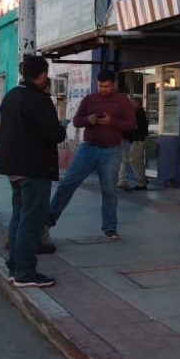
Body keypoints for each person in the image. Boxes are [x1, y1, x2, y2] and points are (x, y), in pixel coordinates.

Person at [0, 56, 66, 288]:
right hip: (34, 169)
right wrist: (62, 128)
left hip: (14, 169)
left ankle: (15, 267)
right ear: (42, 75)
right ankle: (25, 273)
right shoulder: (39, 100)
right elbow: (55, 134)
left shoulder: (10, 97)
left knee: (18, 219)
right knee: (31, 222)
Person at [46, 69, 136, 242]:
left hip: (111, 151)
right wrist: (89, 120)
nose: (103, 89)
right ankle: (48, 221)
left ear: (114, 84)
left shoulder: (122, 101)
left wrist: (112, 122)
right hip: (88, 148)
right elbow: (76, 121)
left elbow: (131, 125)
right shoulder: (89, 99)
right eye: (100, 86)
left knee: (110, 191)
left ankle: (110, 228)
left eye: (107, 86)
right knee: (67, 182)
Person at [117, 97, 149, 191]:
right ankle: (142, 180)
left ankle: (142, 182)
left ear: (138, 104)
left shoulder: (138, 114)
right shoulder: (138, 113)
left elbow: (134, 127)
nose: (131, 105)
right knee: (135, 160)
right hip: (137, 139)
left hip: (138, 140)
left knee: (134, 159)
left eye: (133, 103)